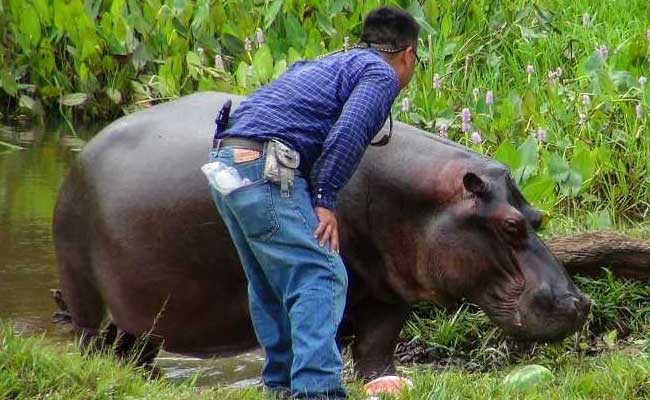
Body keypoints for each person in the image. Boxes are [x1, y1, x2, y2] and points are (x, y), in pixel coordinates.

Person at [207, 6, 419, 399]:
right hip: (265, 167)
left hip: (226, 160)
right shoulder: (379, 73)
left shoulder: (327, 63)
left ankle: (282, 387)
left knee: (270, 281)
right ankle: (317, 390)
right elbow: (350, 132)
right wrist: (325, 197)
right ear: (407, 54)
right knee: (321, 273)